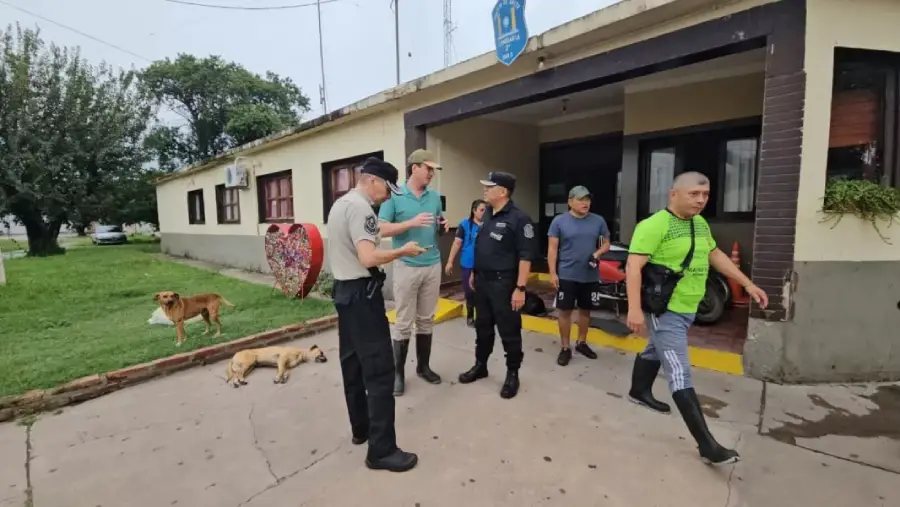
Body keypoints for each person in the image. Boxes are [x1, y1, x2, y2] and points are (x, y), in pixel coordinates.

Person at [624, 171, 769, 466]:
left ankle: (638, 390)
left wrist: (748, 283)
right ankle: (707, 445)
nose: (701, 200)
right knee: (679, 371)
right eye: (694, 194)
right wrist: (634, 310)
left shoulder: (699, 224)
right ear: (673, 194)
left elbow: (715, 255)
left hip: (689, 306)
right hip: (665, 309)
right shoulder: (653, 226)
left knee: (656, 348)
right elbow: (633, 266)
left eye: (705, 195)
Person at [326, 157, 427, 473]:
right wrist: (402, 251)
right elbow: (368, 254)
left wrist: (407, 225)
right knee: (381, 372)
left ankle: (362, 429)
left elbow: (377, 229)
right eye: (386, 188)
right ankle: (381, 451)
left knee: (353, 363)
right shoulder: (360, 207)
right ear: (372, 181)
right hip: (363, 296)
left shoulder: (343, 203)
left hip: (344, 292)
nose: (387, 196)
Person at [458, 171, 538, 399]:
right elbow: (482, 247)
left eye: (489, 187)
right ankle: (480, 365)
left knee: (509, 330)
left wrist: (520, 288)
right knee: (482, 328)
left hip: (504, 284)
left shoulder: (519, 219)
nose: (485, 190)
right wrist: (474, 272)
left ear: (503, 191)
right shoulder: (487, 215)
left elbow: (525, 256)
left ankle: (513, 374)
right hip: (482, 281)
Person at [378, 149, 449, 396]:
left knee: (427, 319)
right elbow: (381, 229)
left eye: (433, 170)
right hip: (406, 265)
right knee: (404, 322)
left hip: (432, 264)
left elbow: (437, 225)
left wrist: (443, 226)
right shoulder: (394, 196)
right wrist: (410, 223)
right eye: (428, 168)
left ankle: (423, 367)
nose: (431, 173)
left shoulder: (435, 197)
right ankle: (398, 374)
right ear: (414, 168)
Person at [547, 186, 610, 366]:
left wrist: (597, 253)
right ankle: (565, 347)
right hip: (567, 274)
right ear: (570, 201)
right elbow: (552, 249)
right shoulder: (559, 221)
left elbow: (606, 243)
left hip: (590, 274)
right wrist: (552, 273)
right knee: (565, 311)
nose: (585, 203)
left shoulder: (598, 221)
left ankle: (581, 342)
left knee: (585, 310)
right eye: (581, 199)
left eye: (587, 199)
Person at [445, 199, 487, 327]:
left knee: (483, 292)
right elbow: (457, 243)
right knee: (470, 292)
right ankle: (470, 316)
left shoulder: (488, 225)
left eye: (485, 210)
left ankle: (483, 317)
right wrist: (450, 261)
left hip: (484, 265)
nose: (484, 213)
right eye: (481, 210)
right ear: (474, 211)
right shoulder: (465, 225)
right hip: (468, 264)